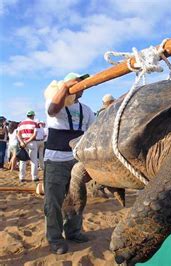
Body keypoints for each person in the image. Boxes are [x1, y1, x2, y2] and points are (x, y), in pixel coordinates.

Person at [43, 73, 95, 254]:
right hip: (55, 161)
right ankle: (55, 238)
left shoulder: (87, 110)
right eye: (77, 84)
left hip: (76, 161)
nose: (81, 88)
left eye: (83, 85)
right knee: (53, 202)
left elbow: (91, 134)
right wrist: (65, 88)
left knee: (75, 200)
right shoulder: (55, 101)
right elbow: (51, 111)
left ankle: (73, 232)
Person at [17, 111, 39, 181]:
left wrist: (22, 142)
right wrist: (27, 141)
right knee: (34, 160)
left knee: (22, 160)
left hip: (23, 142)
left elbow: (18, 134)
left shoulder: (21, 124)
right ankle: (34, 177)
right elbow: (34, 135)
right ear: (33, 116)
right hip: (31, 142)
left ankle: (22, 177)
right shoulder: (35, 123)